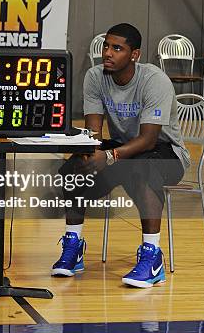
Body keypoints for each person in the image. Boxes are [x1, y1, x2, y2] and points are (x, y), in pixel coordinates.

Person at [51, 23, 190, 288]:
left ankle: (153, 257)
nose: (108, 53)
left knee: (143, 169)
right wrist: (87, 152)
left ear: (134, 55)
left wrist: (111, 156)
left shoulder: (154, 80)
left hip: (166, 152)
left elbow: (149, 140)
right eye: (106, 46)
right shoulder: (94, 77)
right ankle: (73, 245)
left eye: (117, 48)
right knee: (74, 169)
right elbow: (93, 132)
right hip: (124, 149)